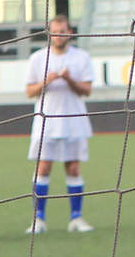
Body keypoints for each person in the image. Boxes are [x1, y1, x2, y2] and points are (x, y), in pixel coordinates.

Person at [23, 15, 95, 235]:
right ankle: (39, 219)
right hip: (46, 121)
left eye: (63, 31)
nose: (59, 35)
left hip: (74, 120)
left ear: (70, 32)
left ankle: (76, 218)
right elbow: (29, 92)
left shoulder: (82, 57)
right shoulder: (37, 58)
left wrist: (70, 80)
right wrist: (48, 80)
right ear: (49, 33)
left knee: (73, 167)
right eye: (55, 31)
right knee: (43, 167)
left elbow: (87, 90)